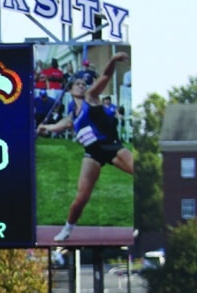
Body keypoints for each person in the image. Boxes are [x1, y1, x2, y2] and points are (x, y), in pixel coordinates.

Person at [36, 52, 133, 242]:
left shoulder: (91, 97)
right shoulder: (72, 115)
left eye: (83, 83)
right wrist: (44, 127)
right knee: (81, 197)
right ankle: (66, 229)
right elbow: (58, 126)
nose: (82, 85)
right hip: (92, 154)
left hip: (110, 146)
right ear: (70, 90)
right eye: (78, 84)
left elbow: (105, 76)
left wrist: (112, 60)